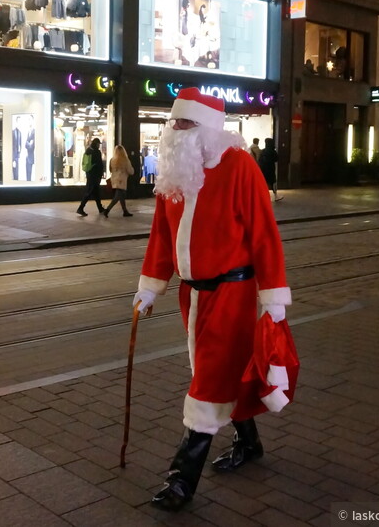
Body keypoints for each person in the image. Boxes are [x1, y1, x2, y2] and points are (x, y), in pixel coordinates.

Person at [132, 87, 291, 513]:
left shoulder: (239, 166)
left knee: (208, 382)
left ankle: (182, 479)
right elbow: (161, 238)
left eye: (185, 123)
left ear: (207, 127)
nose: (175, 130)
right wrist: (150, 287)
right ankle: (249, 441)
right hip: (193, 296)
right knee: (220, 373)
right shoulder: (174, 173)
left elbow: (264, 235)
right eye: (174, 122)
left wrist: (272, 297)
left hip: (233, 294)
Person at [76, 138, 105, 216]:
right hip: (95, 175)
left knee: (96, 192)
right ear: (96, 144)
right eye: (98, 144)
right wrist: (101, 173)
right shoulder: (96, 152)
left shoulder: (88, 150)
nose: (99, 146)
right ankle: (81, 208)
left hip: (89, 174)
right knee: (89, 192)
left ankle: (100, 208)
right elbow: (99, 164)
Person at [102, 145, 134, 217]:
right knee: (117, 197)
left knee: (121, 196)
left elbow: (110, 170)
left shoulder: (112, 160)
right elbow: (130, 170)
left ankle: (125, 211)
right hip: (122, 180)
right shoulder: (125, 160)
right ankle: (107, 210)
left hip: (114, 180)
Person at [257, 137, 282, 201]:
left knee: (264, 182)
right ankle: (276, 195)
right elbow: (276, 159)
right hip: (271, 169)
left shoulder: (263, 151)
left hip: (263, 169)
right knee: (273, 181)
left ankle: (262, 196)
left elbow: (260, 160)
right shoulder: (273, 151)